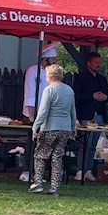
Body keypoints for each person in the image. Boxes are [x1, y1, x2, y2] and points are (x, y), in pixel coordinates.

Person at [28, 65, 76, 197]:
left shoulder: (49, 90)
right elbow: (72, 111)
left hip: (50, 127)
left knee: (40, 155)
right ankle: (55, 187)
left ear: (49, 76)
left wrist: (35, 127)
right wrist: (73, 127)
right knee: (57, 157)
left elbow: (43, 111)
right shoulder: (69, 90)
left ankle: (38, 182)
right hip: (65, 128)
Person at [19, 42, 60, 182]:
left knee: (44, 144)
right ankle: (26, 170)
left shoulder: (52, 75)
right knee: (31, 142)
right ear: (45, 59)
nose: (55, 62)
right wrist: (32, 117)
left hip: (47, 114)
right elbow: (30, 94)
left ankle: (38, 173)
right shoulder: (32, 71)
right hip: (33, 113)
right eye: (53, 59)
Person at [73, 52, 108, 182]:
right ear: (88, 63)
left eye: (99, 62)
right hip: (87, 115)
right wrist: (92, 96)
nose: (98, 65)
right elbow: (77, 95)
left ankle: (88, 170)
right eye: (96, 62)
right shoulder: (81, 77)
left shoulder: (102, 79)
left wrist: (105, 97)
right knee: (85, 143)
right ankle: (80, 170)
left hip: (100, 115)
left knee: (93, 145)